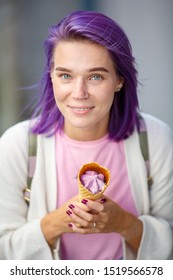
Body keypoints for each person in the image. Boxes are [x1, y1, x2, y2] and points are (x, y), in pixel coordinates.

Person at [0, 10, 173, 260]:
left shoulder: (155, 139)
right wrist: (57, 222)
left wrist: (124, 223)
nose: (79, 93)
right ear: (52, 76)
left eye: (95, 76)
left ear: (119, 80)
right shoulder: (16, 146)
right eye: (66, 76)